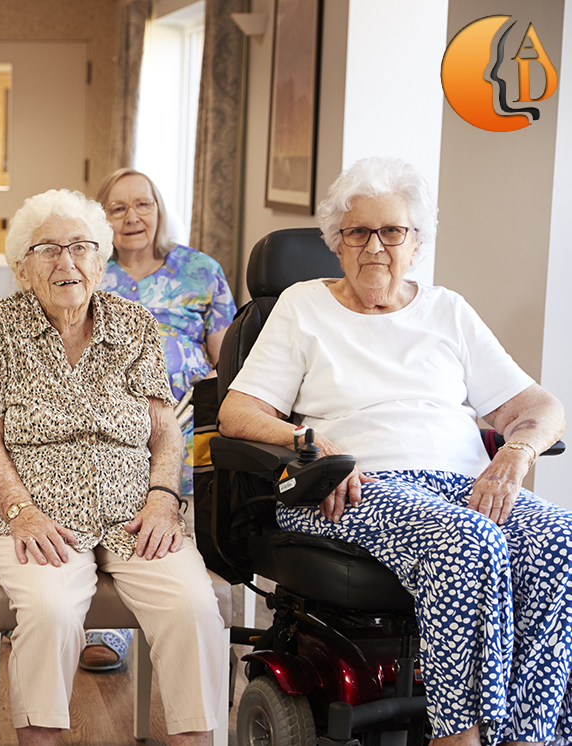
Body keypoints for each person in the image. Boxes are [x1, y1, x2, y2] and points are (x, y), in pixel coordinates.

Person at [220, 156, 572, 746]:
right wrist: (305, 441)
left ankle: (528, 736)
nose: (375, 247)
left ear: (417, 242)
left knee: (561, 541)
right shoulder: (303, 306)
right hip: (352, 487)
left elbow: (539, 406)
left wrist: (517, 454)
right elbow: (238, 412)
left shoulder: (447, 310)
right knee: (470, 543)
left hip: (465, 485)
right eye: (358, 232)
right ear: (337, 243)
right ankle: (457, 737)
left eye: (392, 231)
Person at [0, 189, 227, 746]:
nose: (67, 262)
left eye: (81, 247)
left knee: (192, 605)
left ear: (100, 260)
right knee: (51, 610)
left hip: (133, 511)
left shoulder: (134, 324)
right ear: (22, 267)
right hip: (36, 514)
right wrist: (21, 512)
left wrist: (164, 499)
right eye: (48, 249)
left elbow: (165, 431)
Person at [83, 168, 235, 670]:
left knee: (179, 501)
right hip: (107, 418)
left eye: (142, 204)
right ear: (101, 218)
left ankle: (188, 619)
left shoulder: (200, 270)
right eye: (118, 208)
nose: (132, 217)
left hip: (187, 415)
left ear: (159, 209)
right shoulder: (88, 270)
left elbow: (227, 363)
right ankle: (105, 624)